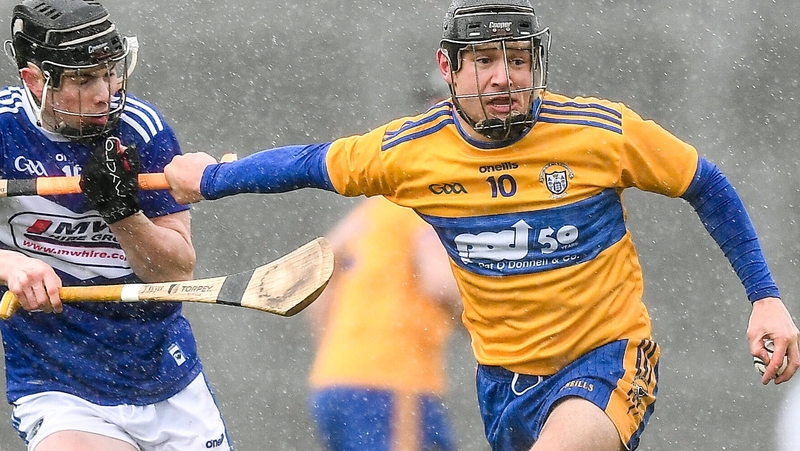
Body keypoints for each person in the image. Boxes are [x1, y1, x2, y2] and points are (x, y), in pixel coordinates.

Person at [163, 0, 800, 449]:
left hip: (608, 359)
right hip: (503, 382)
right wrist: (211, 178)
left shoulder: (600, 132)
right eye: (485, 60)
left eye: (518, 60)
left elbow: (704, 183)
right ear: (448, 68)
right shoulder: (408, 153)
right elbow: (306, 164)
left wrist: (765, 298)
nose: (503, 78)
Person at [0, 1, 231, 450]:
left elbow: (176, 272)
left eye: (110, 73)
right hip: (56, 377)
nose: (106, 93)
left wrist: (122, 214)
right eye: (84, 79)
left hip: (160, 368)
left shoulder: (141, 129)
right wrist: (9, 265)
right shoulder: (3, 128)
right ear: (34, 81)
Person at [306, 196, 462, 451]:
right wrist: (493, 325)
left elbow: (320, 268)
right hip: (391, 384)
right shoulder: (422, 208)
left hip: (335, 384)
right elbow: (439, 284)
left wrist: (340, 350)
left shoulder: (376, 208)